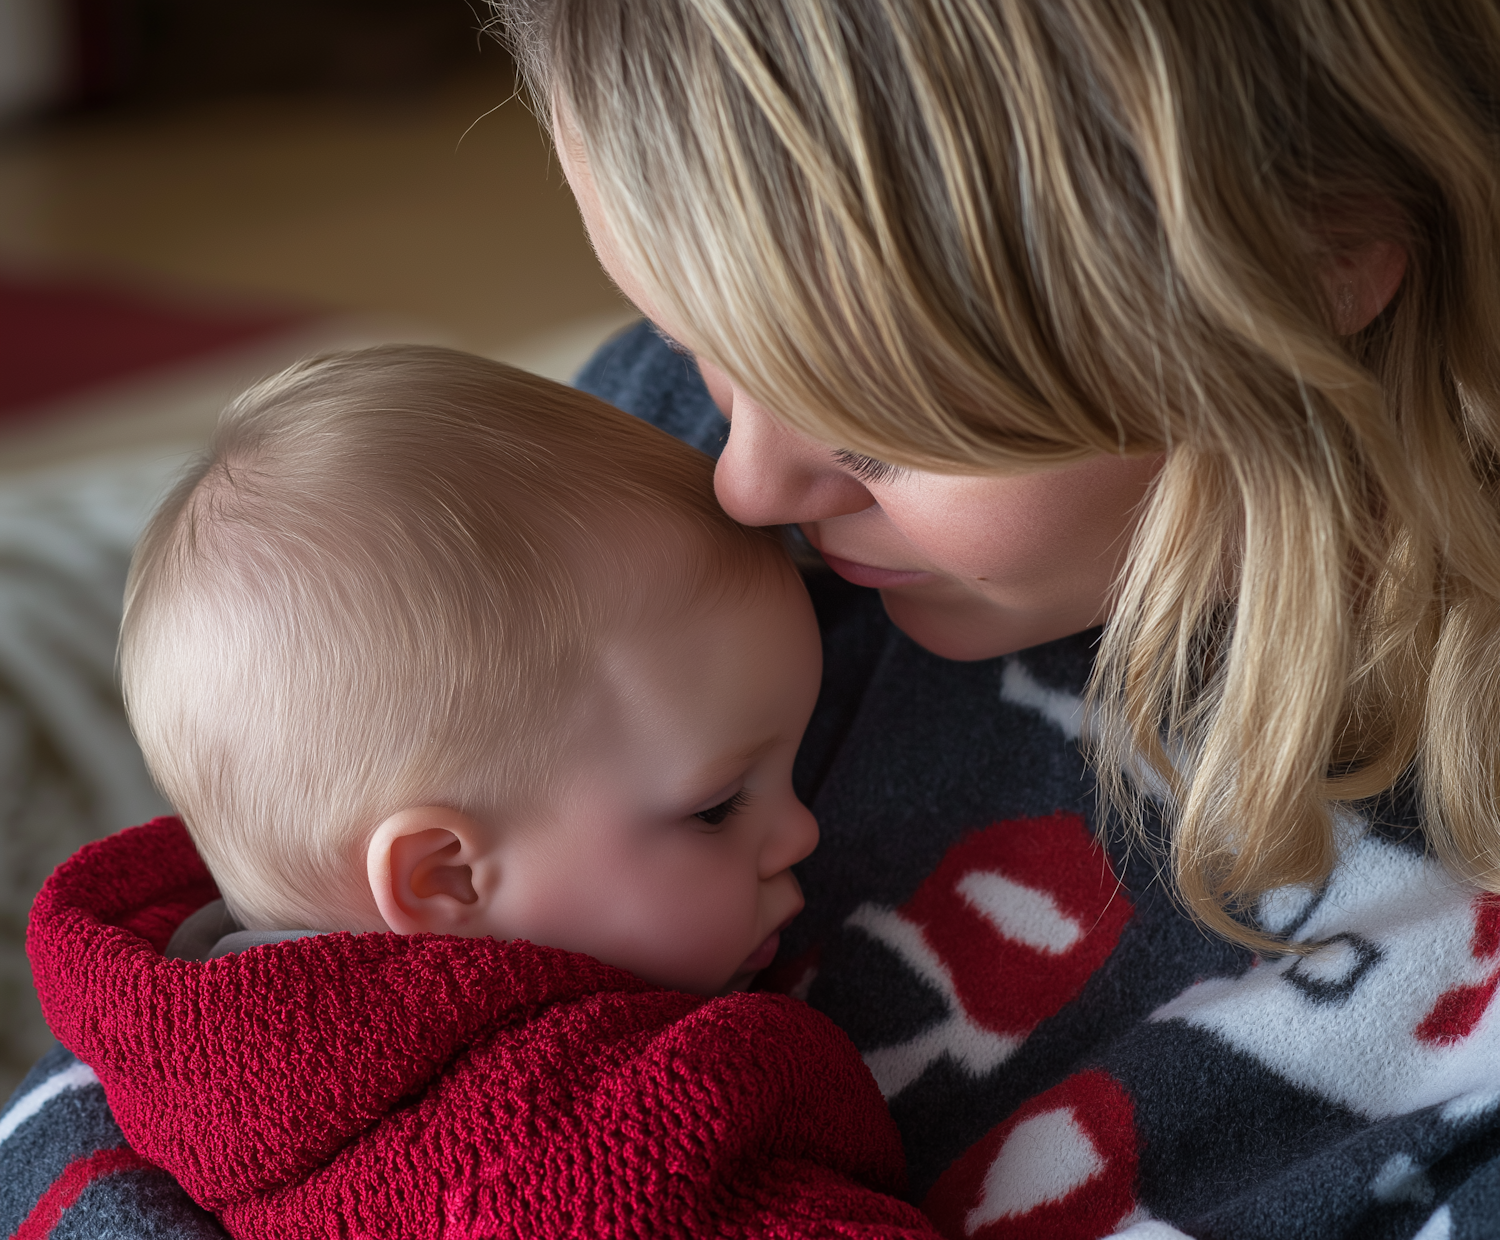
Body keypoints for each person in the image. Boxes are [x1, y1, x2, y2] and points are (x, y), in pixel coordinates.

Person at [7, 1, 1500, 1236]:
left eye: (873, 428)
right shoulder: (664, 506)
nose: (743, 482)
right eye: (703, 344)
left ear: (1322, 260)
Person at [24, 344, 941, 1238]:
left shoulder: (195, 1039)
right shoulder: (588, 1158)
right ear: (446, 880)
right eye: (716, 808)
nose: (801, 833)